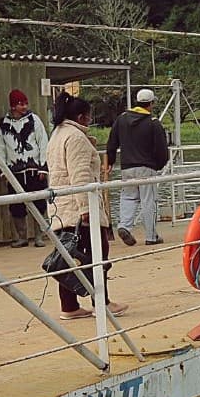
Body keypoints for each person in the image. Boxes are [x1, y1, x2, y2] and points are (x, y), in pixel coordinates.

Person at [46, 92, 127, 320]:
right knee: (97, 254)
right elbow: (80, 175)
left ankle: (69, 306)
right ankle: (101, 302)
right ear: (81, 117)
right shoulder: (76, 138)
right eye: (89, 117)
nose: (90, 121)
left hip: (61, 208)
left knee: (68, 257)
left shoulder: (57, 135)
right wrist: (85, 209)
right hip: (78, 207)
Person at [106, 88, 170, 246]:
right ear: (151, 103)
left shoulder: (121, 119)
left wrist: (110, 161)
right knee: (149, 201)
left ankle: (124, 225)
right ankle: (151, 236)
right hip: (147, 167)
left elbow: (112, 142)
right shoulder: (153, 123)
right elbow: (162, 149)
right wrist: (159, 165)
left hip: (126, 167)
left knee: (128, 198)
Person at [0, 89, 50, 247]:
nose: (24, 106)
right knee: (16, 205)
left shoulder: (34, 120)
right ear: (13, 106)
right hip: (15, 172)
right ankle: (22, 236)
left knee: (39, 202)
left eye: (26, 103)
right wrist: (4, 170)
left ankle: (39, 235)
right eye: (21, 104)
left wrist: (43, 167)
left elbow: (43, 143)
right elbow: (1, 148)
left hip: (34, 170)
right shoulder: (3, 124)